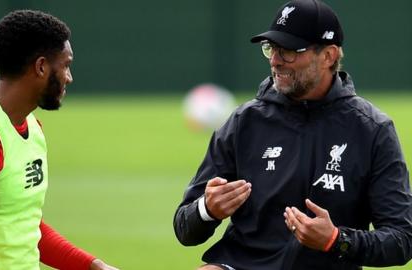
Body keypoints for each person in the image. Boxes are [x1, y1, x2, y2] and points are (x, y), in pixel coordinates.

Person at [173, 0, 412, 269]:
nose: (275, 61)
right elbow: (184, 228)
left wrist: (337, 239)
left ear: (328, 56)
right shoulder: (244, 122)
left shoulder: (372, 130)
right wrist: (207, 209)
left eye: (288, 51)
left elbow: (402, 240)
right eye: (271, 49)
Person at [0, 10, 119, 270]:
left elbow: (25, 225)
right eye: (65, 65)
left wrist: (92, 266)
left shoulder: (31, 126)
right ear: (41, 67)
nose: (69, 77)